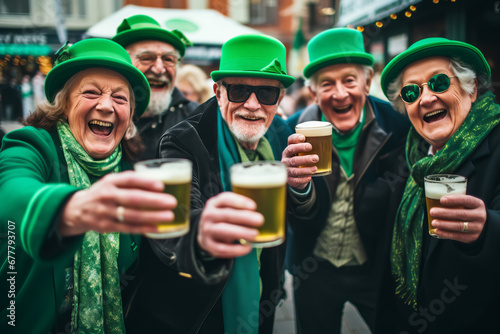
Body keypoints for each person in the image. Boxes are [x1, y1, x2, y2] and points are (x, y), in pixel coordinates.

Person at [0, 38, 178, 333]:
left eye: (120, 99)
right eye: (91, 92)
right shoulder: (33, 145)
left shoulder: (129, 169)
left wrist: (196, 241)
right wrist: (69, 210)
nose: (106, 105)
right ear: (64, 104)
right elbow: (10, 192)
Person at [122, 34, 295, 334]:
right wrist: (204, 231)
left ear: (279, 99)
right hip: (203, 308)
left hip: (261, 291)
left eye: (266, 93)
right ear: (217, 92)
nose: (253, 105)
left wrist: (300, 187)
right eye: (239, 90)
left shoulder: (280, 132)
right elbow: (175, 225)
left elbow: (301, 214)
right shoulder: (185, 138)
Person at [281, 27, 410, 333]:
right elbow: (289, 212)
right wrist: (298, 187)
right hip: (313, 268)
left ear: (367, 82)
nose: (339, 93)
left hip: (376, 268)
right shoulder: (290, 132)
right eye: (327, 84)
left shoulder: (400, 125)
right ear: (313, 92)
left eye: (349, 80)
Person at [376, 38, 500, 333]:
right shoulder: (407, 158)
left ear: (471, 89)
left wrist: (487, 230)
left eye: (439, 82)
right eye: (411, 92)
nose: (426, 98)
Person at [112, 14, 200, 160]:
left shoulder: (197, 118)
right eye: (146, 58)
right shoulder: (103, 114)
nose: (159, 69)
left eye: (168, 59)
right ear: (124, 65)